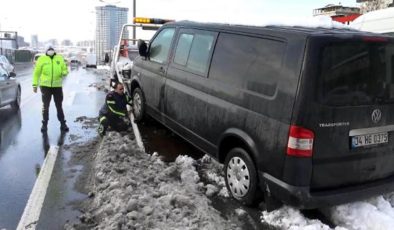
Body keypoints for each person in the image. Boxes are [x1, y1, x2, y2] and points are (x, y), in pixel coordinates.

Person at [33, 45, 69, 132]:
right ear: (46, 51)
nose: (50, 51)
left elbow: (65, 69)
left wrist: (64, 72)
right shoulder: (41, 59)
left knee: (59, 106)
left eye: (52, 49)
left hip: (57, 86)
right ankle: (44, 125)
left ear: (54, 51)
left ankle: (63, 124)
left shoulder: (59, 58)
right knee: (45, 106)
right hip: (45, 87)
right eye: (49, 49)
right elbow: (36, 73)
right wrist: (35, 85)